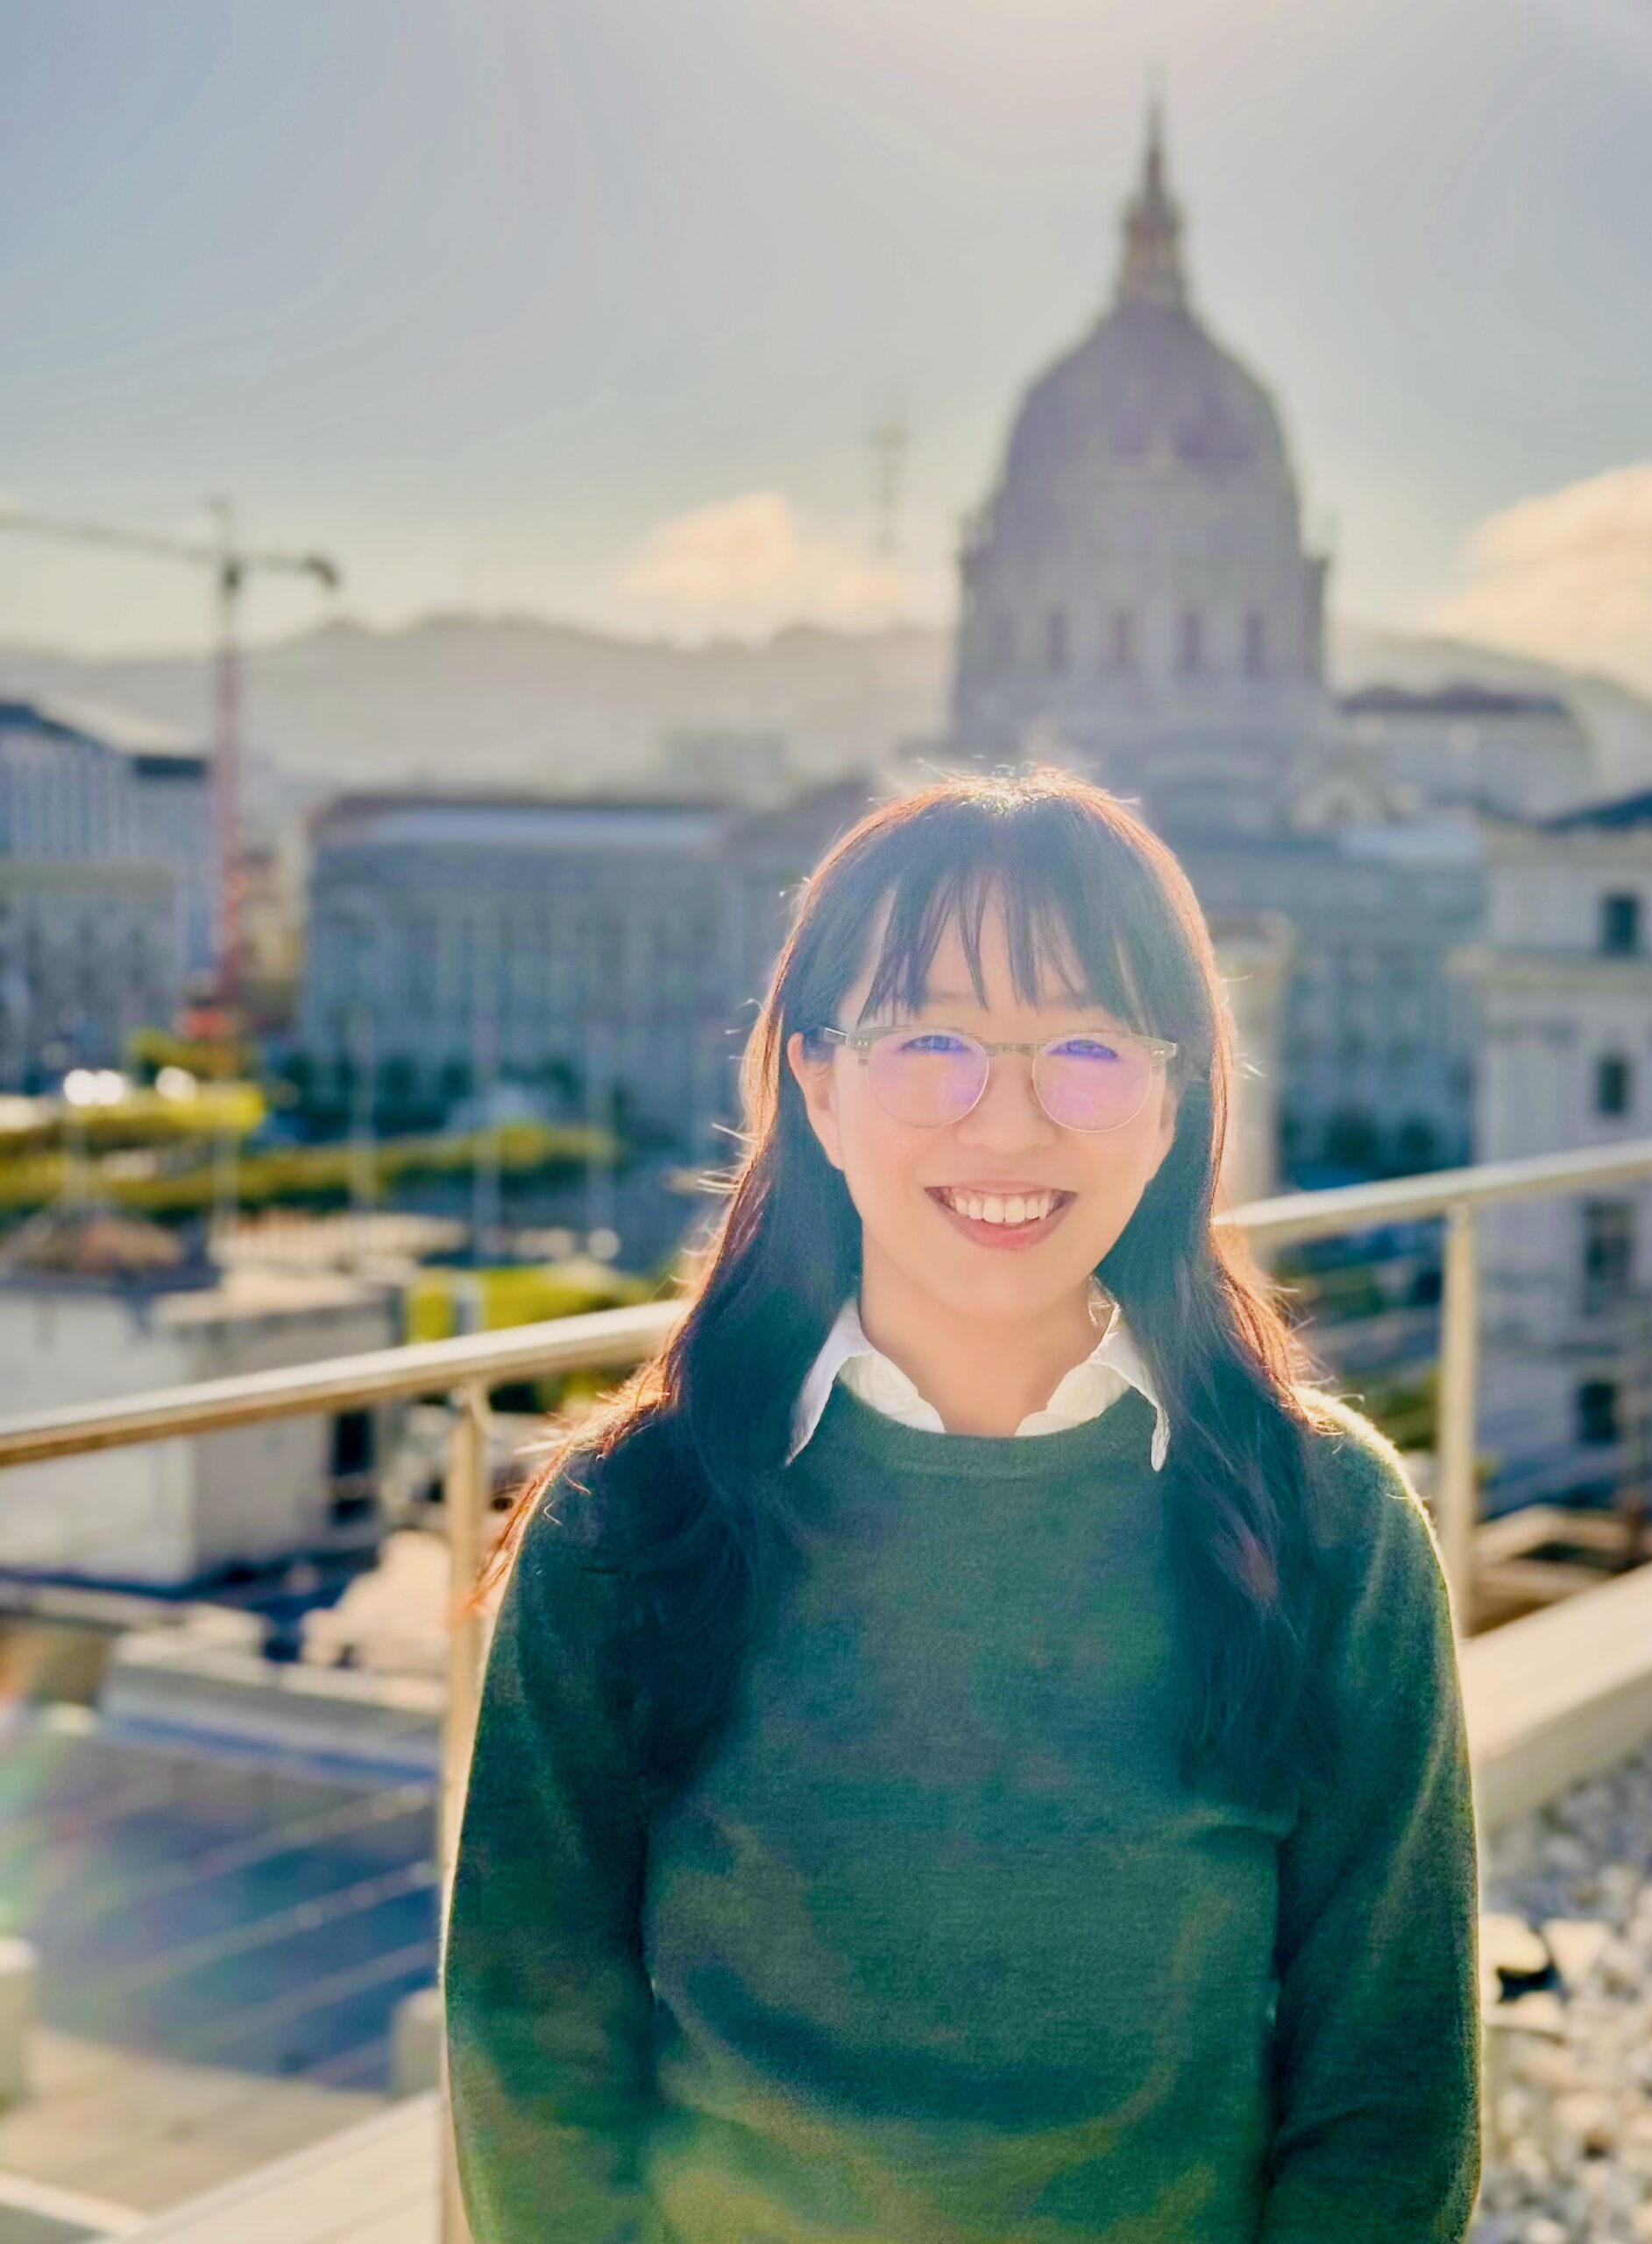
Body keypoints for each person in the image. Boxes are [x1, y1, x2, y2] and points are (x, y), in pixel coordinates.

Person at [444, 768, 1480, 2243]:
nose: (1008, 1122)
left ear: (1178, 1090)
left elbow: (1389, 2081)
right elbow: (525, 2037)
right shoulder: (630, 1521)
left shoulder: (1325, 1521)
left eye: (1087, 1044)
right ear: (814, 1081)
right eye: (931, 1040)